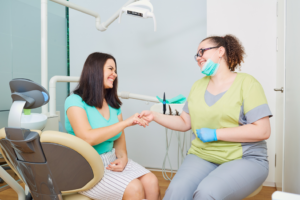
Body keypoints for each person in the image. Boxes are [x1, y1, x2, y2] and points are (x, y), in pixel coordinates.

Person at [138, 35, 272, 200]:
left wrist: (216, 134)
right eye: (197, 55)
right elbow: (185, 122)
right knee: (175, 192)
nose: (198, 58)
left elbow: (263, 130)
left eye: (202, 52)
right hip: (203, 155)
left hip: (245, 158)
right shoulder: (198, 86)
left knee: (206, 193)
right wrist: (155, 116)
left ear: (220, 51)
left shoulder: (248, 84)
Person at [65, 52, 160, 200]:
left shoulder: (113, 105)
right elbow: (87, 138)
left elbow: (120, 147)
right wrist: (126, 122)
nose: (114, 74)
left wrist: (123, 159)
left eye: (115, 71)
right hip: (85, 166)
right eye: (110, 69)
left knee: (151, 181)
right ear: (95, 70)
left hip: (110, 161)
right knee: (134, 188)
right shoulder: (75, 101)